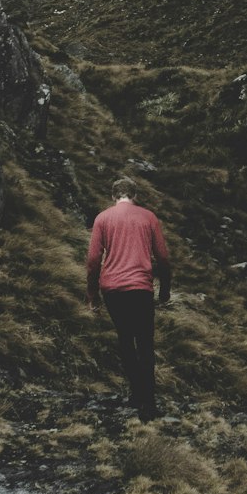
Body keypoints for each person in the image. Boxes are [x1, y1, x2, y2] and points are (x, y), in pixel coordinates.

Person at [86, 176, 172, 422]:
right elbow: (164, 259)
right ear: (135, 195)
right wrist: (164, 291)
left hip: (112, 289)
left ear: (114, 196)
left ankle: (136, 394)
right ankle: (149, 403)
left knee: (125, 340)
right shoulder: (148, 217)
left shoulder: (102, 218)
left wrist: (92, 295)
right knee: (145, 342)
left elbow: (93, 260)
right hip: (141, 288)